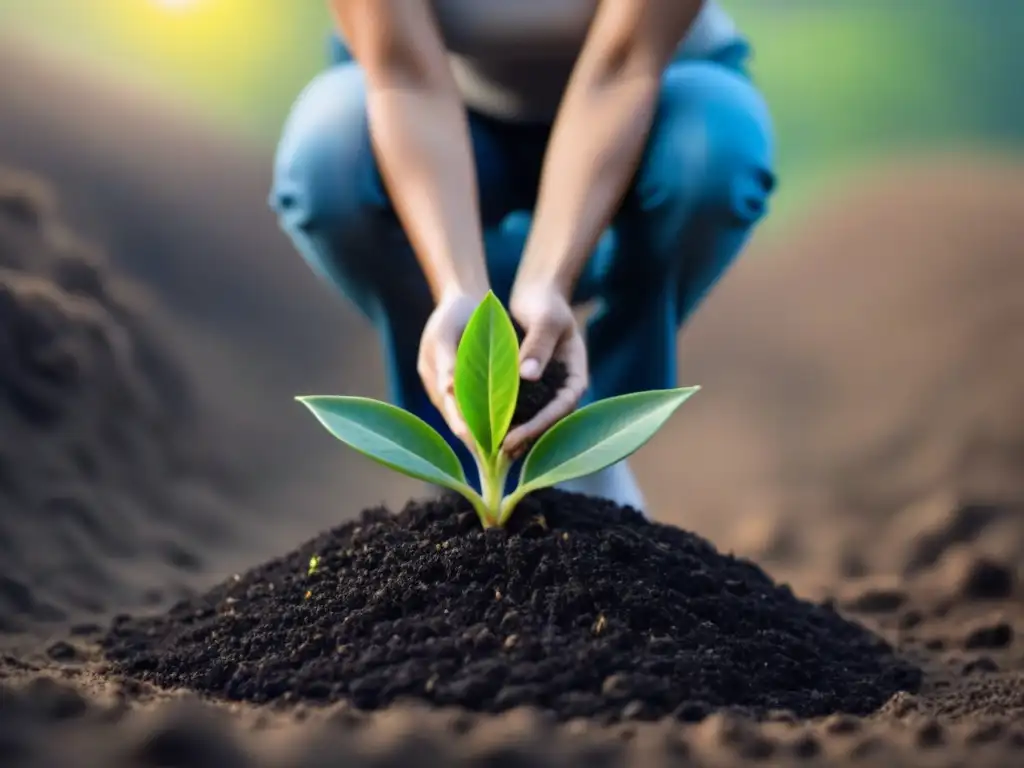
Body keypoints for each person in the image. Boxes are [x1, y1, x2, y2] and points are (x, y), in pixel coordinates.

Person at [270, 0, 775, 516]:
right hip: (438, 101)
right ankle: (463, 443)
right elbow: (404, 75)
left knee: (713, 162)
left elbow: (622, 69)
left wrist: (546, 281)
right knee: (327, 168)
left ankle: (589, 431)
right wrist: (458, 288)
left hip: (651, 92)